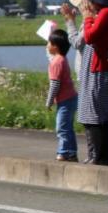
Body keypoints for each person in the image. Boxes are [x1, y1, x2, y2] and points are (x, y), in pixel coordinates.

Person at [62, 0, 108, 165]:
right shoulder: (103, 14)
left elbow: (86, 39)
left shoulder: (105, 14)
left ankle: (100, 158)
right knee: (91, 115)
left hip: (99, 72)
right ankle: (97, 156)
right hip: (93, 70)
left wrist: (81, 19)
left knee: (94, 115)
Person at [46, 29, 79, 162]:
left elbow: (55, 85)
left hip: (65, 100)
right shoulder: (61, 59)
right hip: (71, 98)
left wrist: (49, 102)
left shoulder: (56, 62)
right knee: (68, 128)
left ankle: (63, 152)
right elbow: (50, 57)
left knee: (62, 128)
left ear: (55, 46)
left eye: (49, 43)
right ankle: (72, 153)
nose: (47, 45)